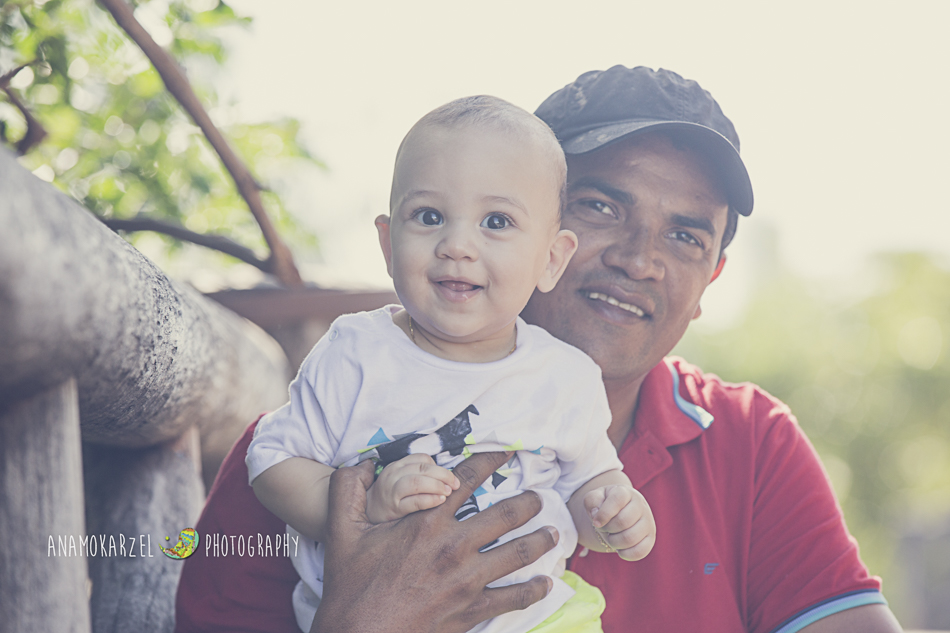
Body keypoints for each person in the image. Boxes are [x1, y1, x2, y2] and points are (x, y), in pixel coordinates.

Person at [176, 66, 903, 633]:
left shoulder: (750, 445)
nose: (640, 259)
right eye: (601, 205)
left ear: (710, 277)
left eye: (685, 235)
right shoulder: (315, 438)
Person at [244, 95, 655, 633]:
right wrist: (361, 502)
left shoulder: (564, 378)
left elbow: (587, 488)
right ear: (388, 244)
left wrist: (613, 516)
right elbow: (273, 463)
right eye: (430, 216)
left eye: (497, 221)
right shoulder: (356, 352)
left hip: (535, 621)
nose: (457, 244)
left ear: (551, 258)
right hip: (366, 612)